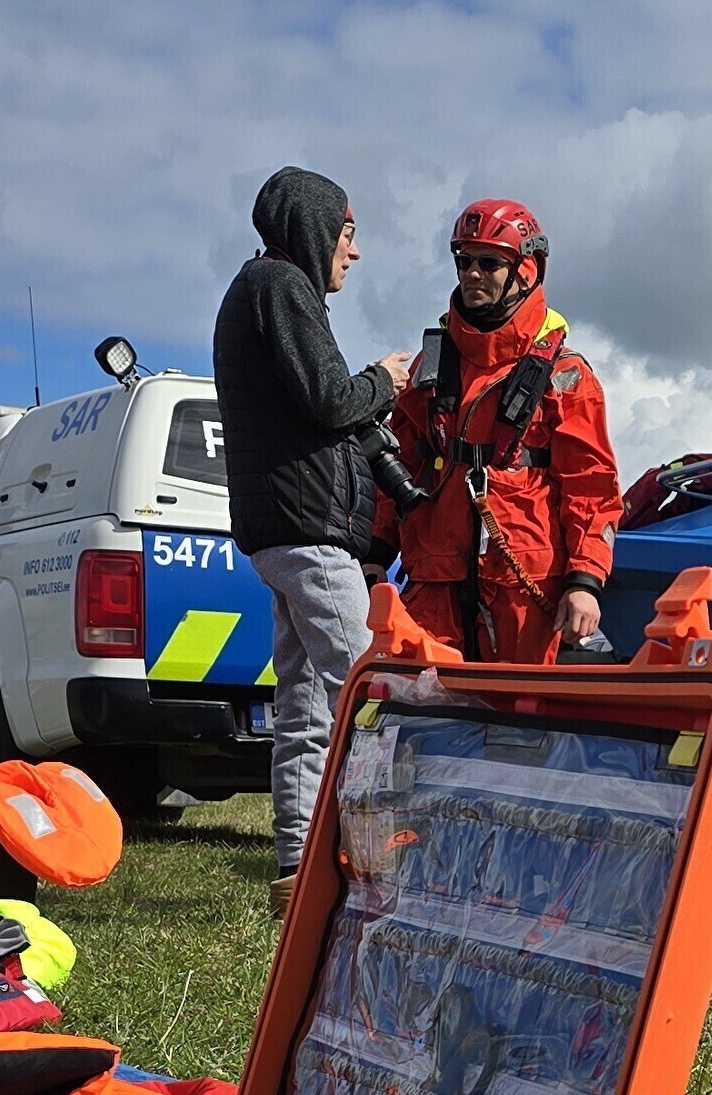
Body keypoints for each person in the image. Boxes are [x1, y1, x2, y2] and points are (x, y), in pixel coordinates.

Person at [214, 166, 412, 882]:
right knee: (369, 691)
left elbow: (310, 404)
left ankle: (297, 871)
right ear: (313, 227)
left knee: (303, 711)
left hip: (285, 530)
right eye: (347, 232)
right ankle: (378, 864)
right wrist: (385, 381)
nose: (354, 251)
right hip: (308, 533)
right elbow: (331, 400)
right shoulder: (281, 286)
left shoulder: (261, 288)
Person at [380, 198, 621, 669]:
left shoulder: (565, 375)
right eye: (464, 261)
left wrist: (585, 581)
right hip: (434, 581)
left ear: (526, 270)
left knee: (523, 710)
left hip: (523, 588)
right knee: (420, 706)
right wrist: (376, 552)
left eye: (489, 263)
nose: (472, 273)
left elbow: (592, 487)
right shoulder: (431, 367)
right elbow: (397, 465)